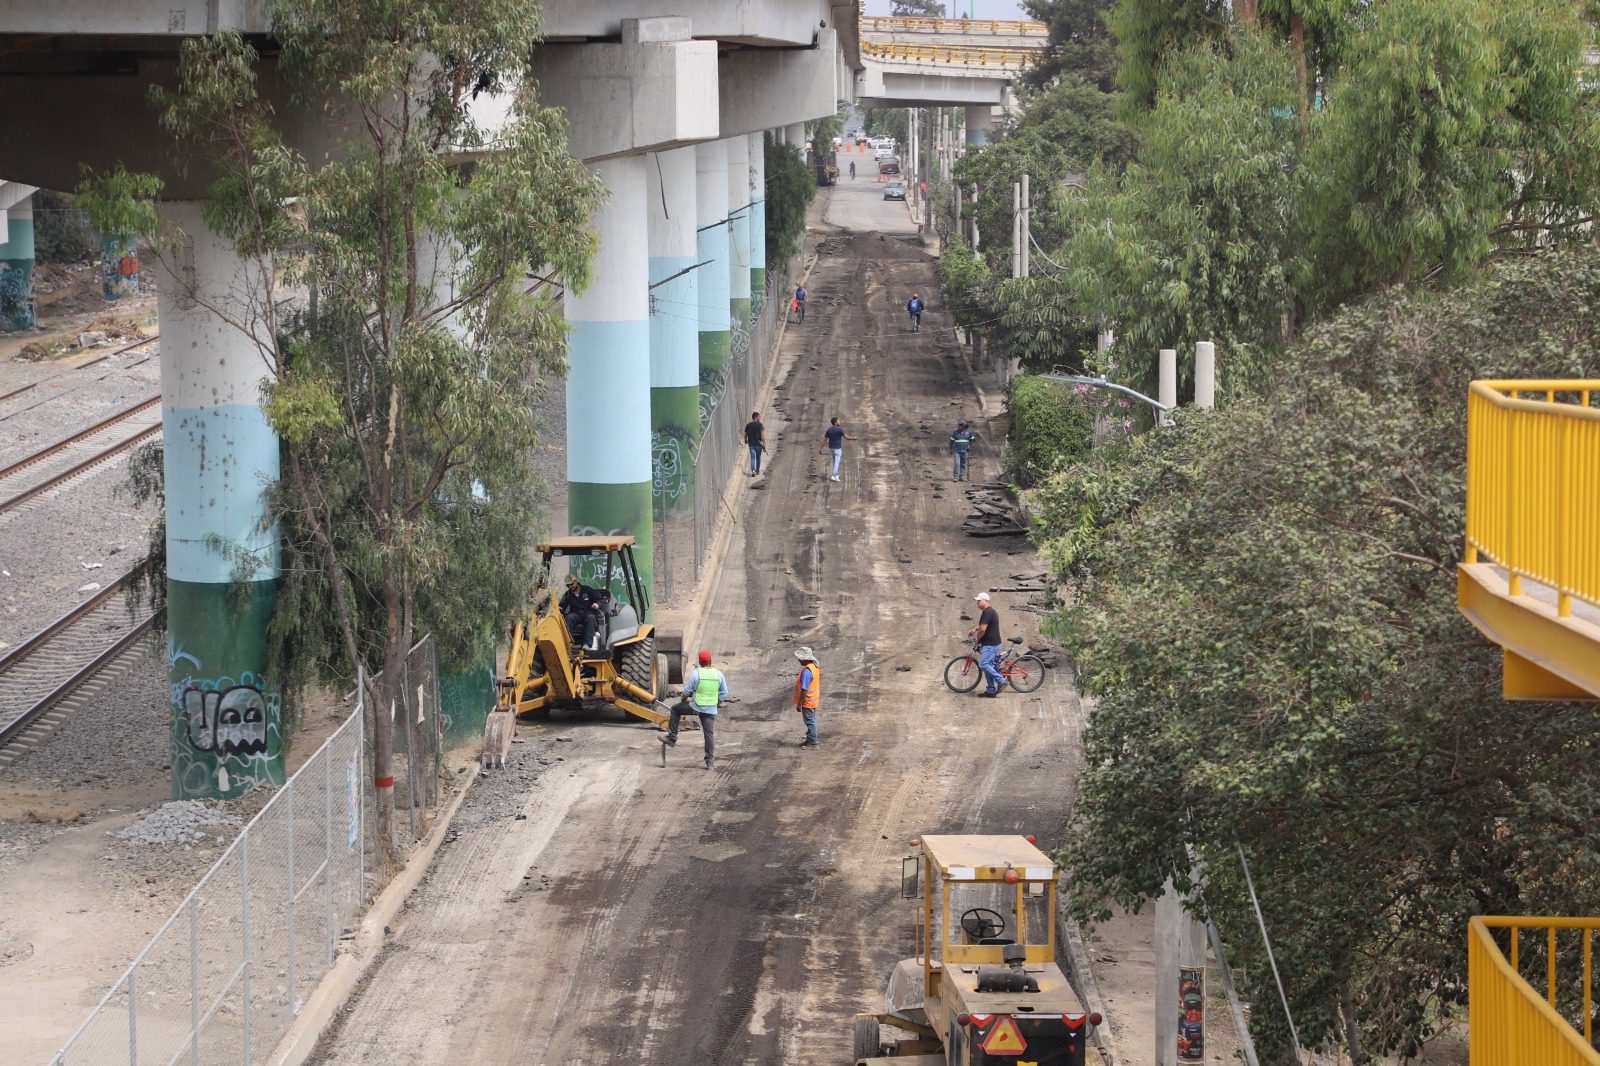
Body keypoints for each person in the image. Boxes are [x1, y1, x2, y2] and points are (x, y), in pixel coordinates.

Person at [663, 649, 728, 769]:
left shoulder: (696, 673)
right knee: (709, 735)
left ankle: (672, 737)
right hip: (710, 709)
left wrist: (683, 699)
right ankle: (710, 763)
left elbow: (687, 692)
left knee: (675, 709)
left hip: (696, 707)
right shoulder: (718, 674)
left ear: (700, 662)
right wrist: (716, 703)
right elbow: (724, 694)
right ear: (710, 661)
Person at [971, 591, 1005, 696]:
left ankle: (1001, 681)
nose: (977, 603)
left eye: (979, 601)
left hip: (991, 644)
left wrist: (977, 639)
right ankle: (991, 690)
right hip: (991, 643)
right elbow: (982, 625)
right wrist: (975, 629)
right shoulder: (989, 612)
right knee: (988, 666)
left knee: (983, 664)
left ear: (985, 601)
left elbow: (982, 630)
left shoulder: (988, 612)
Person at [560, 574, 604, 653]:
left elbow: (599, 600)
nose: (570, 587)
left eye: (571, 584)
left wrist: (597, 605)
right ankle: (569, 644)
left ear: (576, 582)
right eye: (568, 585)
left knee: (590, 618)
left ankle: (587, 644)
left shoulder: (587, 590)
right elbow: (561, 607)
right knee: (569, 618)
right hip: (575, 614)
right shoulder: (568, 595)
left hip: (588, 613)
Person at [793, 646, 821, 748]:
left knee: (810, 722)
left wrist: (799, 704)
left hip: (808, 701)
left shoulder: (807, 672)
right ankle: (809, 740)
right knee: (811, 720)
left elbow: (804, 689)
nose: (799, 660)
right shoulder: (814, 666)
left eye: (800, 658)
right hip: (813, 699)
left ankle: (813, 743)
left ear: (805, 658)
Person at [821, 416, 858, 482]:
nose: (840, 422)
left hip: (831, 448)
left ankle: (836, 476)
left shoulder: (829, 430)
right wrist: (854, 438)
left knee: (835, 462)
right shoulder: (839, 429)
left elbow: (824, 440)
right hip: (837, 449)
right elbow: (847, 437)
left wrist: (821, 448)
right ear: (835, 422)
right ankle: (833, 475)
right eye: (838, 421)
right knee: (837, 463)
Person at [743, 411, 766, 476]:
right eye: (759, 417)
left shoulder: (748, 425)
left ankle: (753, 470)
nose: (760, 418)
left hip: (751, 445)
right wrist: (764, 444)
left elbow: (745, 434)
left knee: (753, 457)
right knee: (758, 458)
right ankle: (757, 470)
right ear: (756, 417)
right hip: (758, 445)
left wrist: (745, 440)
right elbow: (762, 435)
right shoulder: (760, 425)